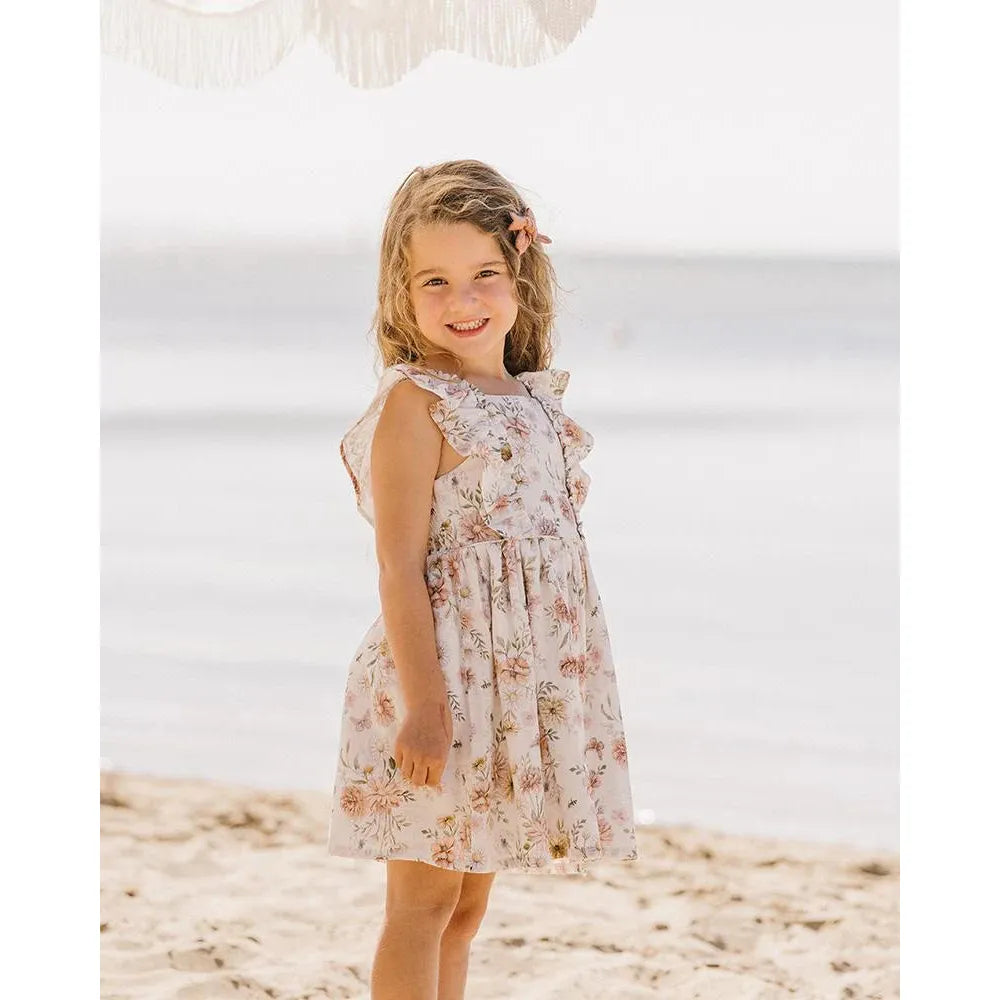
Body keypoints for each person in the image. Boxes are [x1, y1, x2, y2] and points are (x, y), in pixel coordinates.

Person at [327, 159, 639, 1000]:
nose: (462, 300)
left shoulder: (532, 400)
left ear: (520, 274)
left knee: (465, 910)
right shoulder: (416, 403)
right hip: (443, 685)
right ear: (401, 292)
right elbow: (398, 564)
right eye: (435, 280)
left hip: (511, 693)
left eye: (484, 275)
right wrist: (426, 706)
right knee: (422, 905)